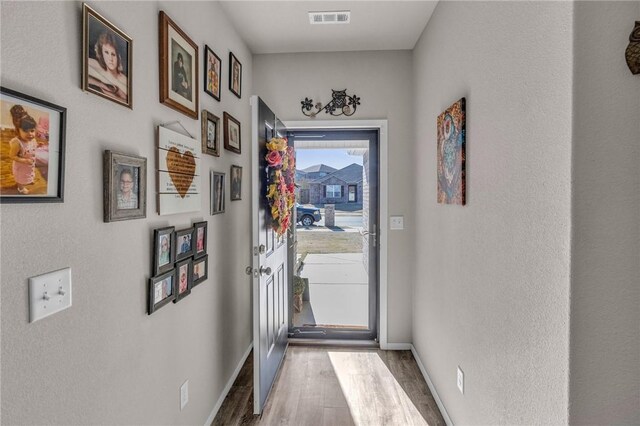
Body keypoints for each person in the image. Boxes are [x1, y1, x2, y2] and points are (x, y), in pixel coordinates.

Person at [87, 31, 128, 102]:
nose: (110, 59)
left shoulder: (124, 80)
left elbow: (129, 100)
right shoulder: (97, 65)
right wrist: (102, 83)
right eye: (106, 52)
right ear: (102, 54)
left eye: (113, 54)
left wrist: (113, 81)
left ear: (118, 57)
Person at [8, 105, 38, 194]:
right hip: (21, 166)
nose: (30, 134)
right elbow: (12, 156)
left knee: (28, 173)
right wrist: (24, 160)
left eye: (32, 130)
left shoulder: (33, 139)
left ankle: (28, 179)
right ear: (18, 130)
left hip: (29, 164)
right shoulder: (17, 143)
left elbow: (31, 147)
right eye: (25, 131)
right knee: (20, 178)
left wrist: (38, 145)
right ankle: (20, 188)